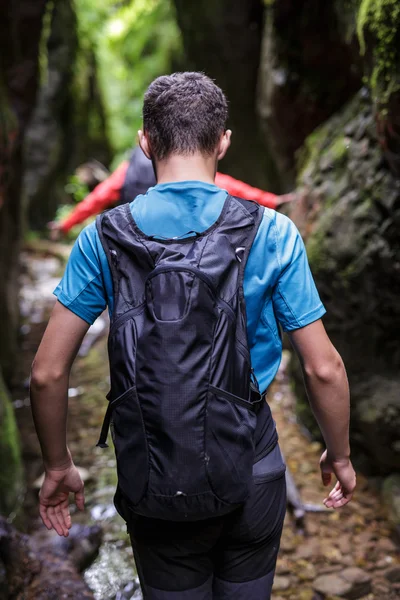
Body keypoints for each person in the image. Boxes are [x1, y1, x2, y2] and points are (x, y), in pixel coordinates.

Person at [31, 72, 356, 600]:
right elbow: (324, 368)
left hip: (152, 472)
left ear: (145, 141)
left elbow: (47, 374)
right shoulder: (271, 231)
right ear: (223, 141)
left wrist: (57, 464)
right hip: (252, 463)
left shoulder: (103, 238)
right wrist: (338, 453)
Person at [50, 146, 293, 237]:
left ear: (145, 144)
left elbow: (97, 199)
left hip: (140, 242)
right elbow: (228, 186)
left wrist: (66, 224)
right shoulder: (186, 172)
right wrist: (272, 201)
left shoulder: (128, 170)